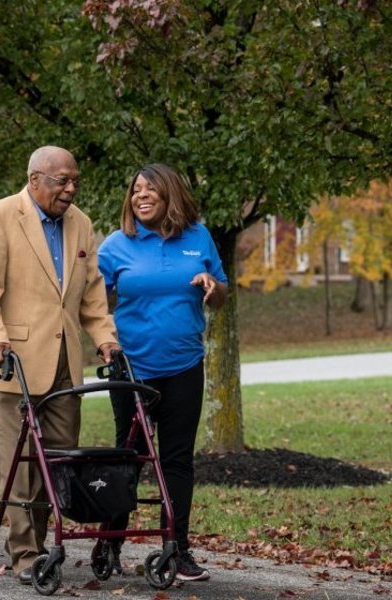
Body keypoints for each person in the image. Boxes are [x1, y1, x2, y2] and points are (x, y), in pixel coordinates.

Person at [0, 145, 120, 585]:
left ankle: (42, 546)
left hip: (65, 364)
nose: (70, 189)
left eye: (75, 181)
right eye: (61, 181)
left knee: (55, 464)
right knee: (20, 465)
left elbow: (92, 295)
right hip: (13, 362)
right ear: (35, 179)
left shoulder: (81, 224)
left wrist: (106, 340)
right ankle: (25, 554)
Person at [98, 163, 227, 582]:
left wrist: (213, 283)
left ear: (170, 193)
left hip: (185, 367)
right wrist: (104, 341)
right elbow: (90, 305)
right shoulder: (116, 246)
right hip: (132, 370)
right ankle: (111, 540)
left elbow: (222, 295)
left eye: (150, 188)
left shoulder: (199, 238)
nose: (141, 195)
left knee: (176, 460)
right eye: (136, 189)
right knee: (129, 458)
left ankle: (178, 549)